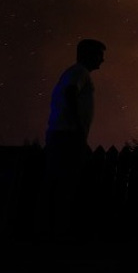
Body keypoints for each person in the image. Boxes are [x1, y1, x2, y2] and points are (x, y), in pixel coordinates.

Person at [41, 38, 105, 240]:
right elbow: (70, 92)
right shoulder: (79, 73)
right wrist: (78, 128)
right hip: (67, 136)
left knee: (60, 182)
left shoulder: (75, 73)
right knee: (66, 184)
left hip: (64, 135)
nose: (102, 60)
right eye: (99, 55)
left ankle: (53, 229)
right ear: (89, 55)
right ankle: (58, 231)